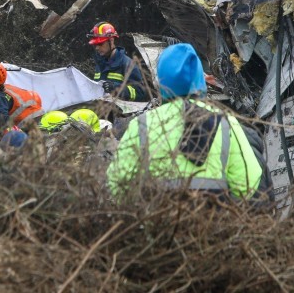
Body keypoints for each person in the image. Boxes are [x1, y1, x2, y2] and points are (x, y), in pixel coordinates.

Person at [106, 43, 263, 200]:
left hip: (156, 220)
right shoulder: (225, 123)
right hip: (213, 221)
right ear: (199, 79)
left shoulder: (141, 125)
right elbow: (248, 187)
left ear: (161, 81)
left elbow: (117, 187)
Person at [87, 21, 148, 102]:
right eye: (95, 44)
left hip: (122, 113)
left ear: (111, 40)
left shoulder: (127, 64)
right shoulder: (100, 64)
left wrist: (116, 88)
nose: (97, 48)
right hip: (101, 111)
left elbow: (140, 93)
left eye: (100, 44)